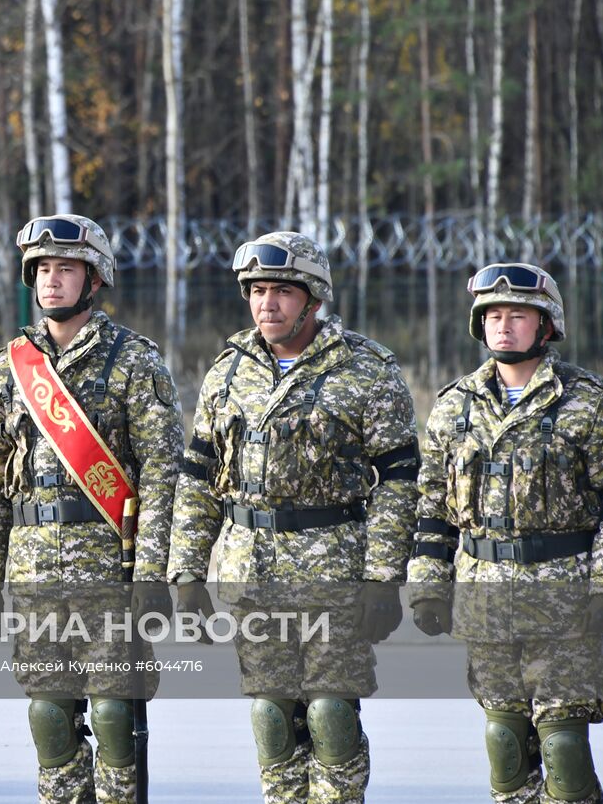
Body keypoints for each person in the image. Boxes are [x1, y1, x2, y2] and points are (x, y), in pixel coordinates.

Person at [165, 231, 420, 803]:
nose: (266, 304)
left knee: (330, 714)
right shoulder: (229, 370)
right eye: (256, 291)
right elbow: (200, 476)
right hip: (251, 574)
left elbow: (401, 481)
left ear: (313, 298)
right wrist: (185, 571)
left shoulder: (364, 369)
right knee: (273, 717)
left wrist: (383, 577)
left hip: (334, 570)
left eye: (281, 291)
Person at [0, 214, 183, 803]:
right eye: (41, 270)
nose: (51, 281)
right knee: (49, 718)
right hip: (33, 572)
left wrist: (151, 575)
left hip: (110, 572)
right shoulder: (9, 367)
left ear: (94, 278)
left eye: (66, 269)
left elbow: (164, 474)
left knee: (116, 719)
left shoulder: (133, 360)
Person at [409, 263, 603, 804]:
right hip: (483, 595)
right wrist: (428, 585)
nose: (503, 326)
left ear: (546, 325)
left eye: (518, 315)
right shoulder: (454, 406)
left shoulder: (590, 402)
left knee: (564, 751)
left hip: (564, 595)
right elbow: (433, 507)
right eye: (493, 315)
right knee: (505, 742)